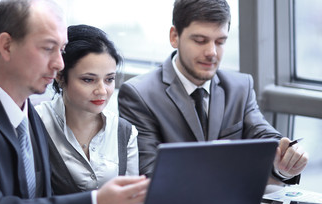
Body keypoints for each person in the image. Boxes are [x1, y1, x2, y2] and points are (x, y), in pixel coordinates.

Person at [0, 0, 149, 204]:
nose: (59, 64)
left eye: (61, 50)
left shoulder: (27, 114)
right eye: (48, 48)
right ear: (6, 46)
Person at [118, 0, 308, 183]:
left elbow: (263, 136)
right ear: (174, 37)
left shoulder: (240, 86)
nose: (212, 52)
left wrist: (285, 158)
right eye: (200, 41)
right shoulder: (139, 95)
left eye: (220, 42)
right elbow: (149, 174)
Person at [36, 24, 139, 195]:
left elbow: (130, 199)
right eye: (88, 80)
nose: (102, 90)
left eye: (109, 79)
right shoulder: (36, 122)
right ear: (60, 77)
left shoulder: (125, 132)